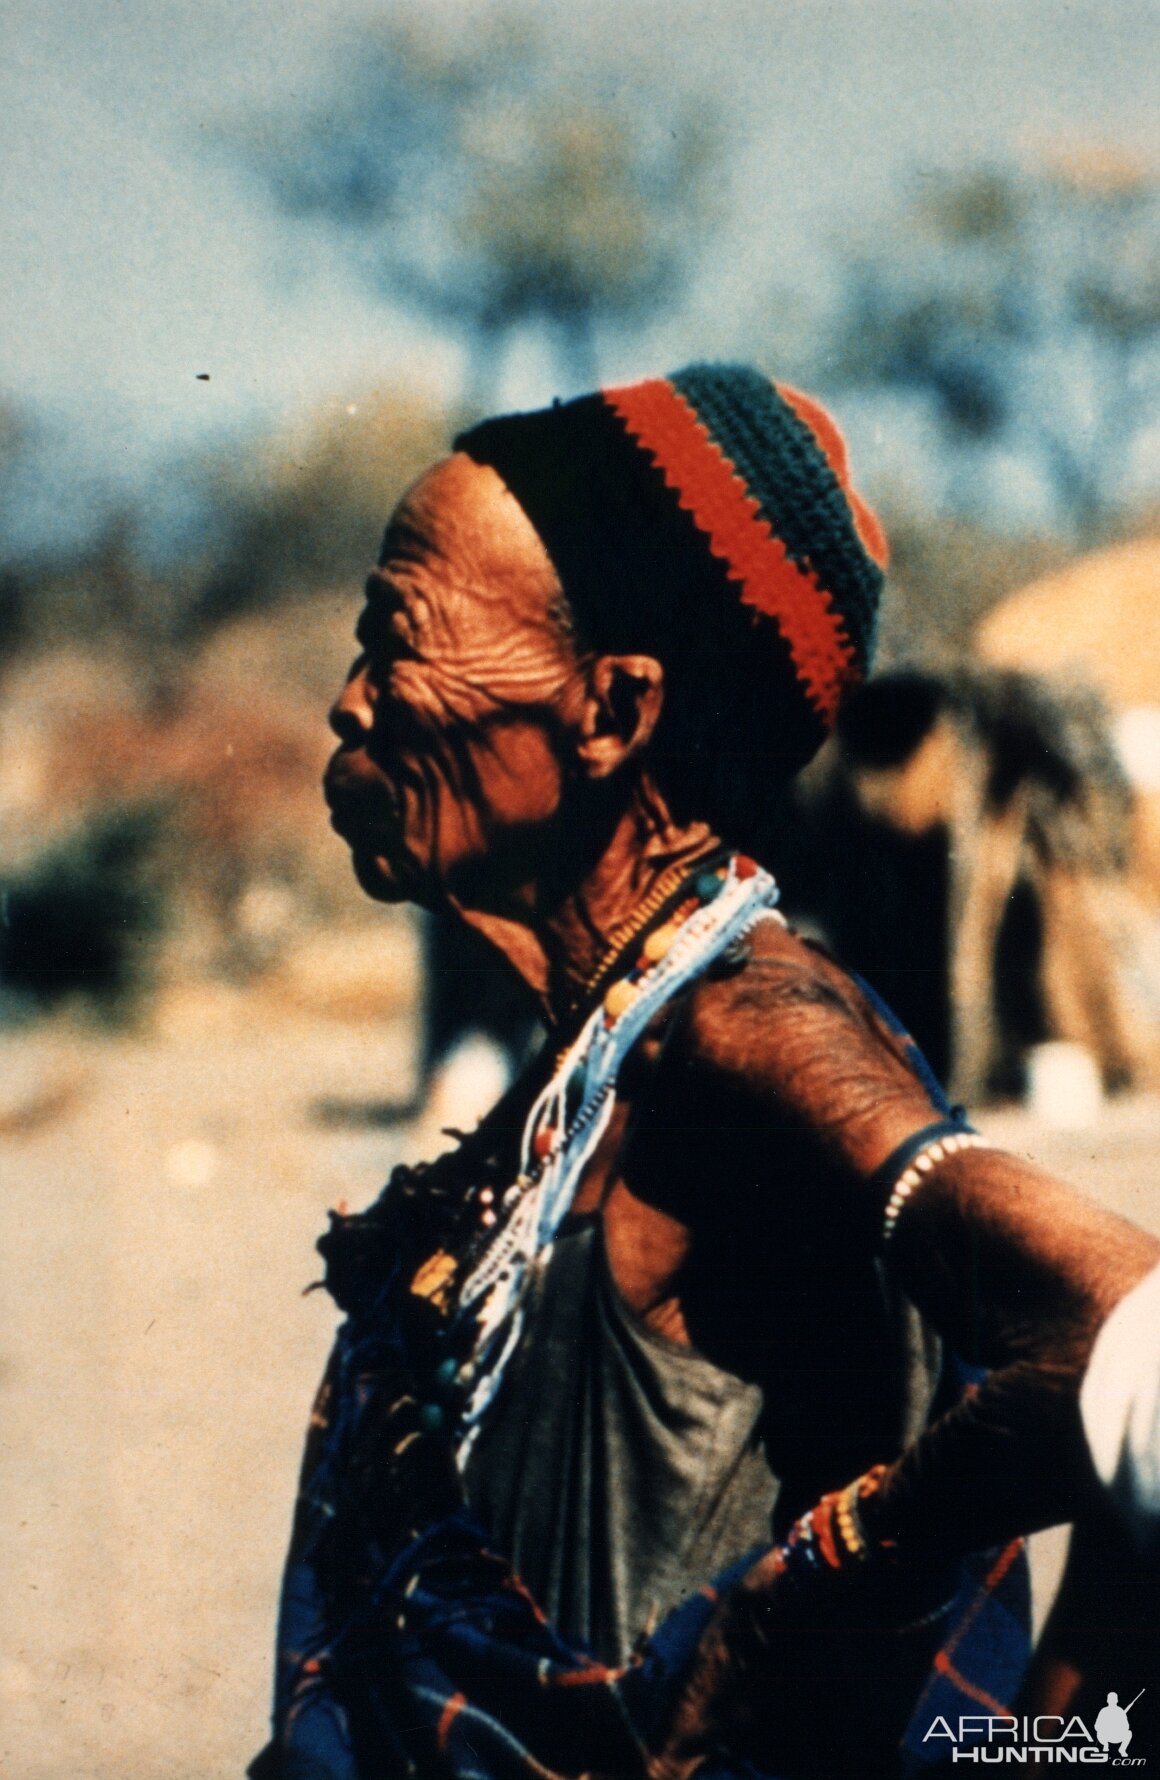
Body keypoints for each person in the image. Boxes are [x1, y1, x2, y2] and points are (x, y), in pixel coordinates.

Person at [251, 366, 1159, 1780]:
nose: (350, 705)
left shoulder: (740, 1030)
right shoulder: (601, 1048)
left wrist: (804, 1598)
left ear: (610, 713)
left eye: (396, 640)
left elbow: (1131, 1343)